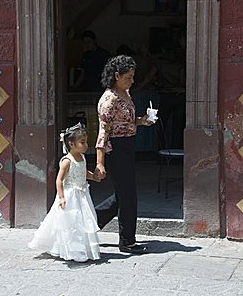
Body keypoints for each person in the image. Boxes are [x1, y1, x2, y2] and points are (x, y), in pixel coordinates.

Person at [94, 55, 154, 255]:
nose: (132, 80)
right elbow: (103, 133)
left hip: (128, 146)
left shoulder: (125, 94)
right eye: (128, 77)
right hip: (116, 150)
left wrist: (142, 121)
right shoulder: (109, 100)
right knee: (128, 196)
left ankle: (91, 224)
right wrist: (100, 163)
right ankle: (127, 241)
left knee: (122, 195)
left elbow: (125, 122)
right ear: (117, 76)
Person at [28, 123, 101, 262]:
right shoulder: (67, 161)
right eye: (82, 142)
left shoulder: (82, 157)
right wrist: (61, 197)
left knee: (81, 222)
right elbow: (59, 180)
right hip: (70, 195)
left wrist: (94, 176)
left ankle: (81, 247)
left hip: (82, 194)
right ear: (71, 144)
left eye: (86, 142)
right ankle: (68, 249)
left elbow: (83, 172)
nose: (86, 145)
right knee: (69, 222)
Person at [157, 30, 186, 149]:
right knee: (178, 126)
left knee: (161, 124)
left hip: (166, 94)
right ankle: (177, 152)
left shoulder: (161, 62)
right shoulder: (182, 60)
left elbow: (149, 77)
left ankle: (161, 151)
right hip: (180, 95)